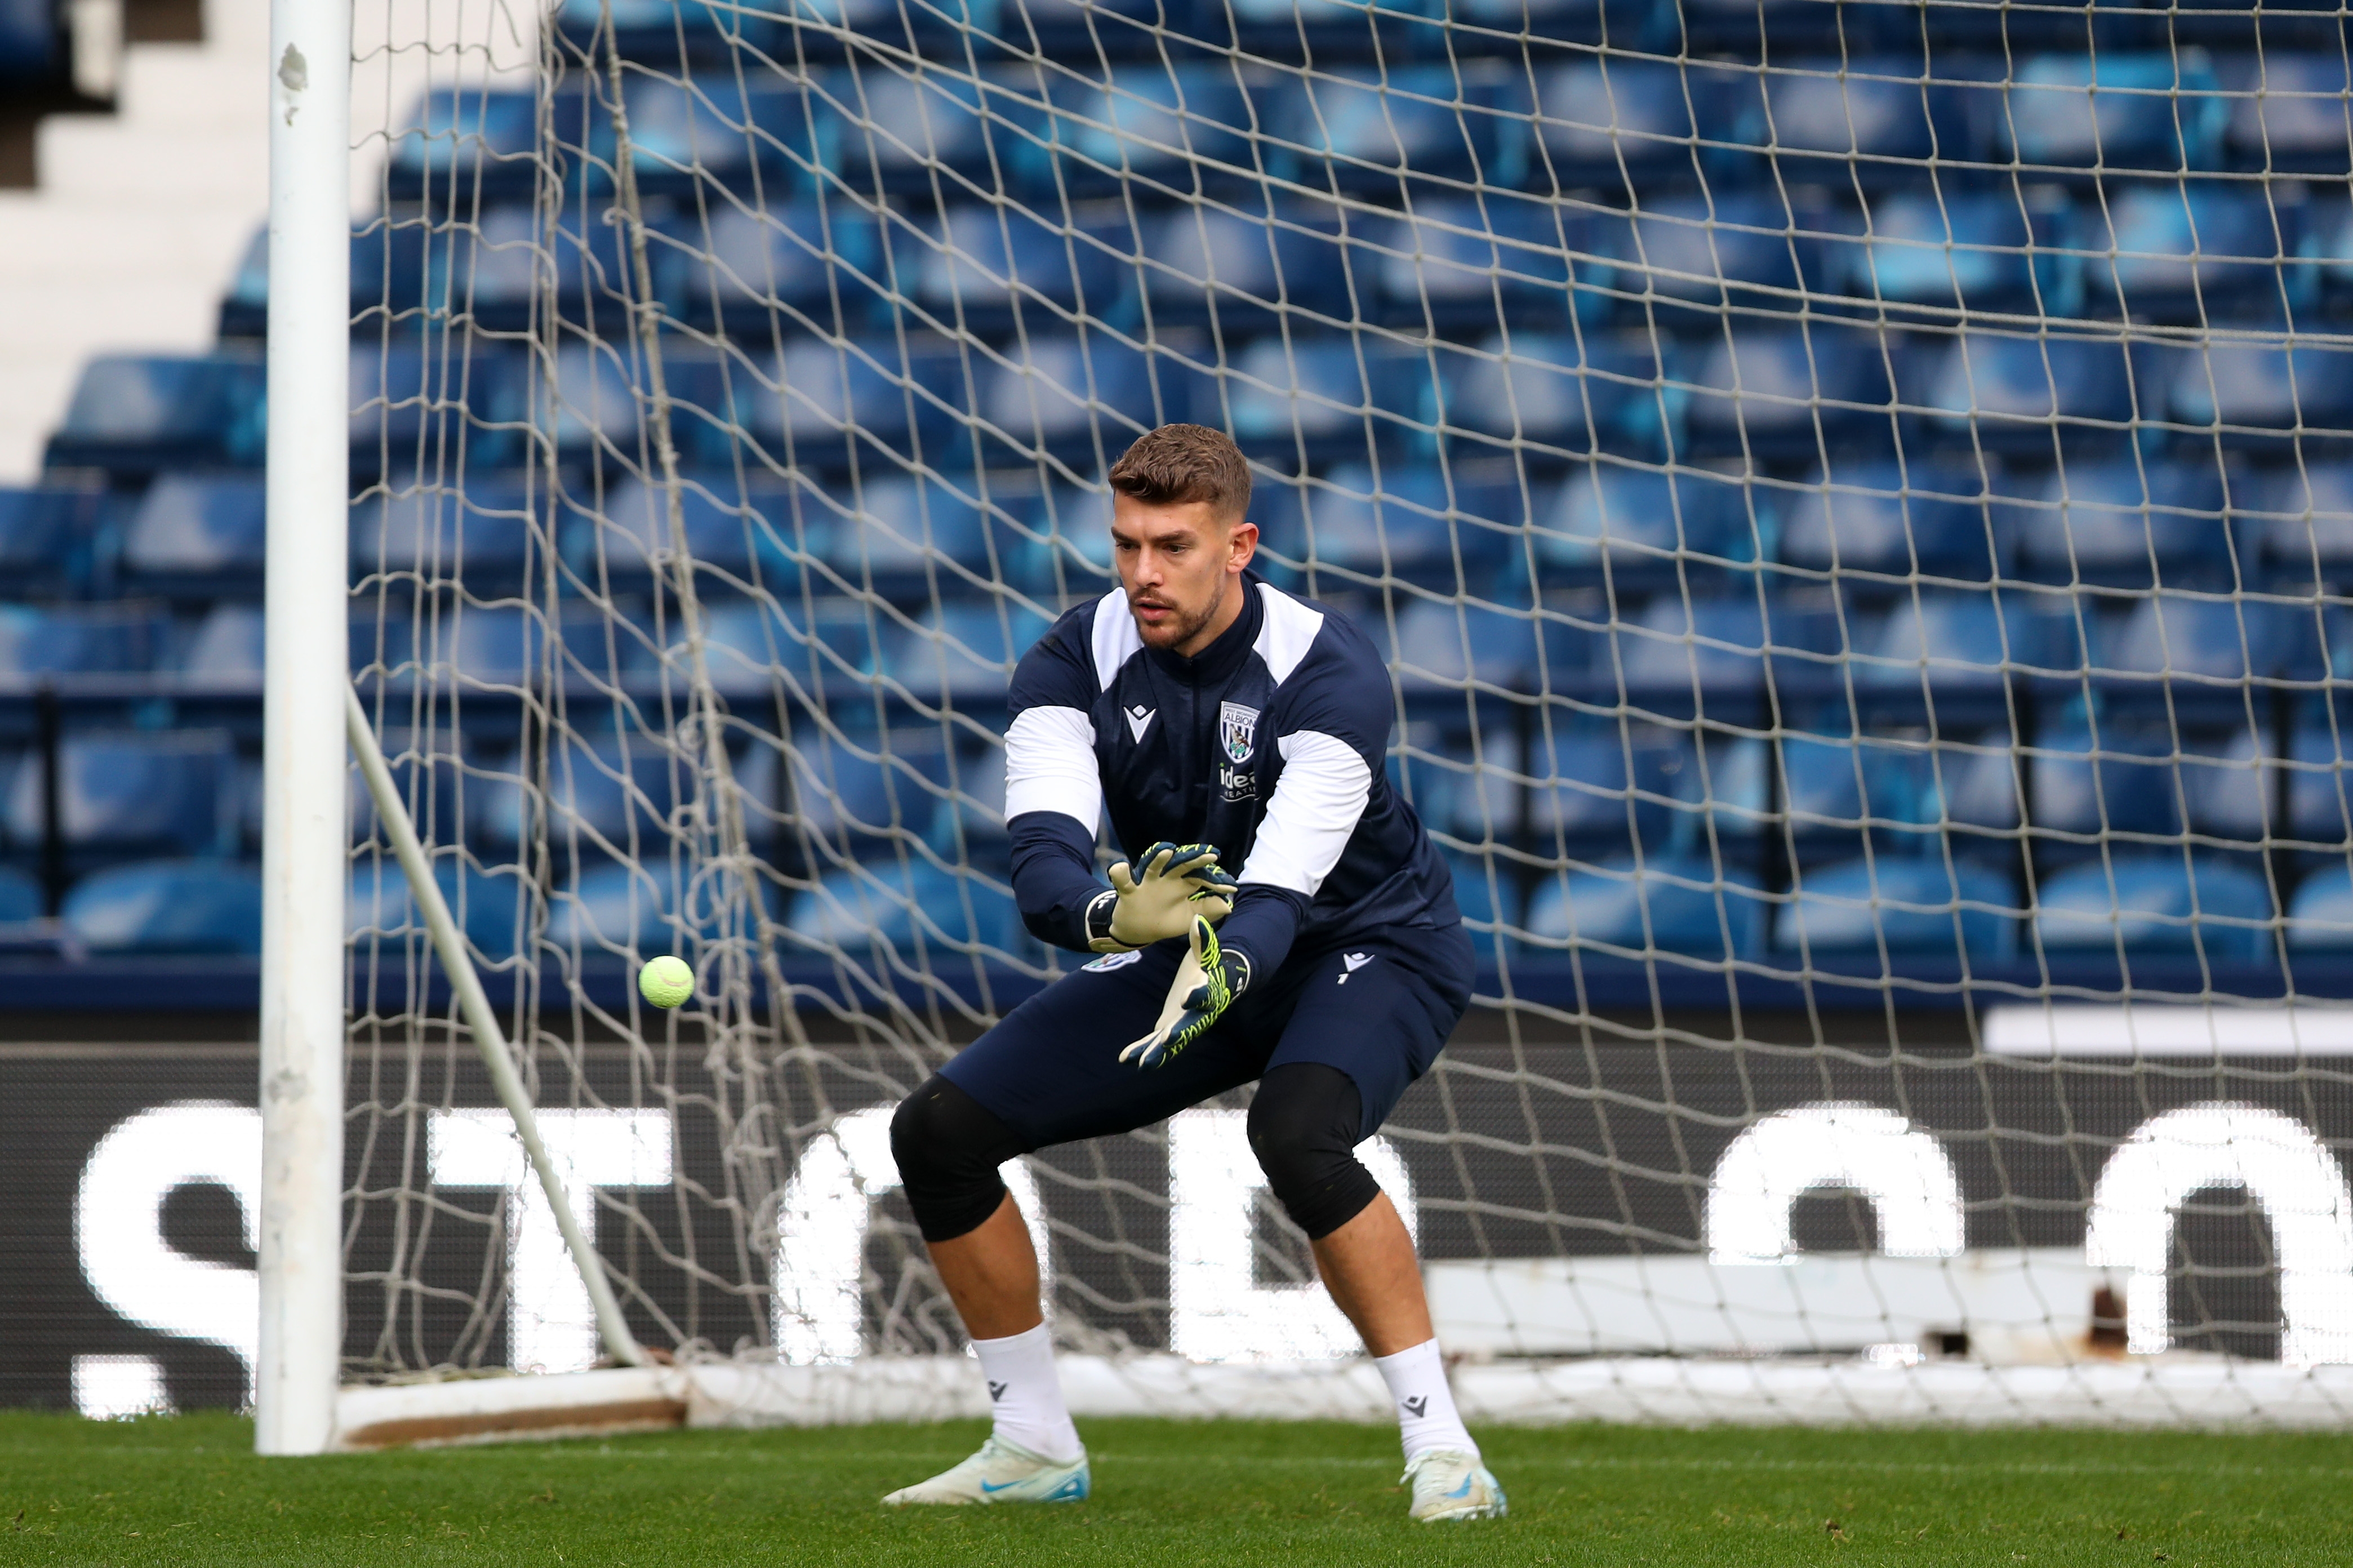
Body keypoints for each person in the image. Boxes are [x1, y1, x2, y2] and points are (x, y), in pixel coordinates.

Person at [882, 424, 1501, 1523]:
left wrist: (1204, 960)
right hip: (1191, 951)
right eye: (1125, 545)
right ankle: (1029, 1444)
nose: (1143, 574)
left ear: (1240, 545)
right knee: (936, 1134)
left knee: (1298, 1131)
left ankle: (1444, 1452)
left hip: (1369, 943)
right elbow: (1041, 867)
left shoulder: (1330, 671)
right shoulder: (1072, 661)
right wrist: (1114, 913)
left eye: (1172, 547)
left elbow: (1279, 898)